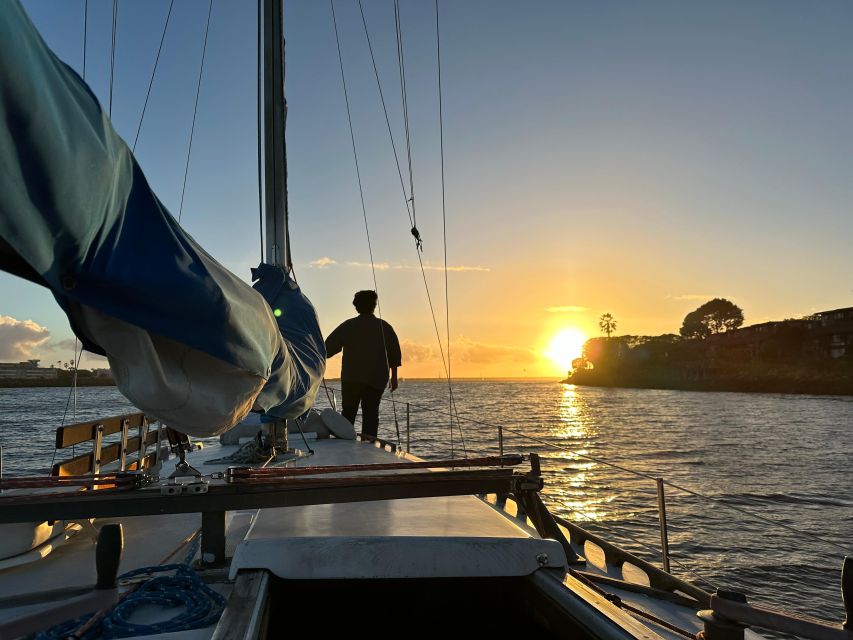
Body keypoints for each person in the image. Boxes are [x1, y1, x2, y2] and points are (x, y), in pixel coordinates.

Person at [324, 290, 402, 439]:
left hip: (352, 378)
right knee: (371, 413)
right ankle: (369, 442)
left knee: (348, 412)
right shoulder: (385, 327)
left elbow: (327, 348)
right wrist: (394, 378)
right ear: (374, 305)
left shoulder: (348, 326)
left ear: (356, 306)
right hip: (376, 379)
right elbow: (394, 354)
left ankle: (344, 441)